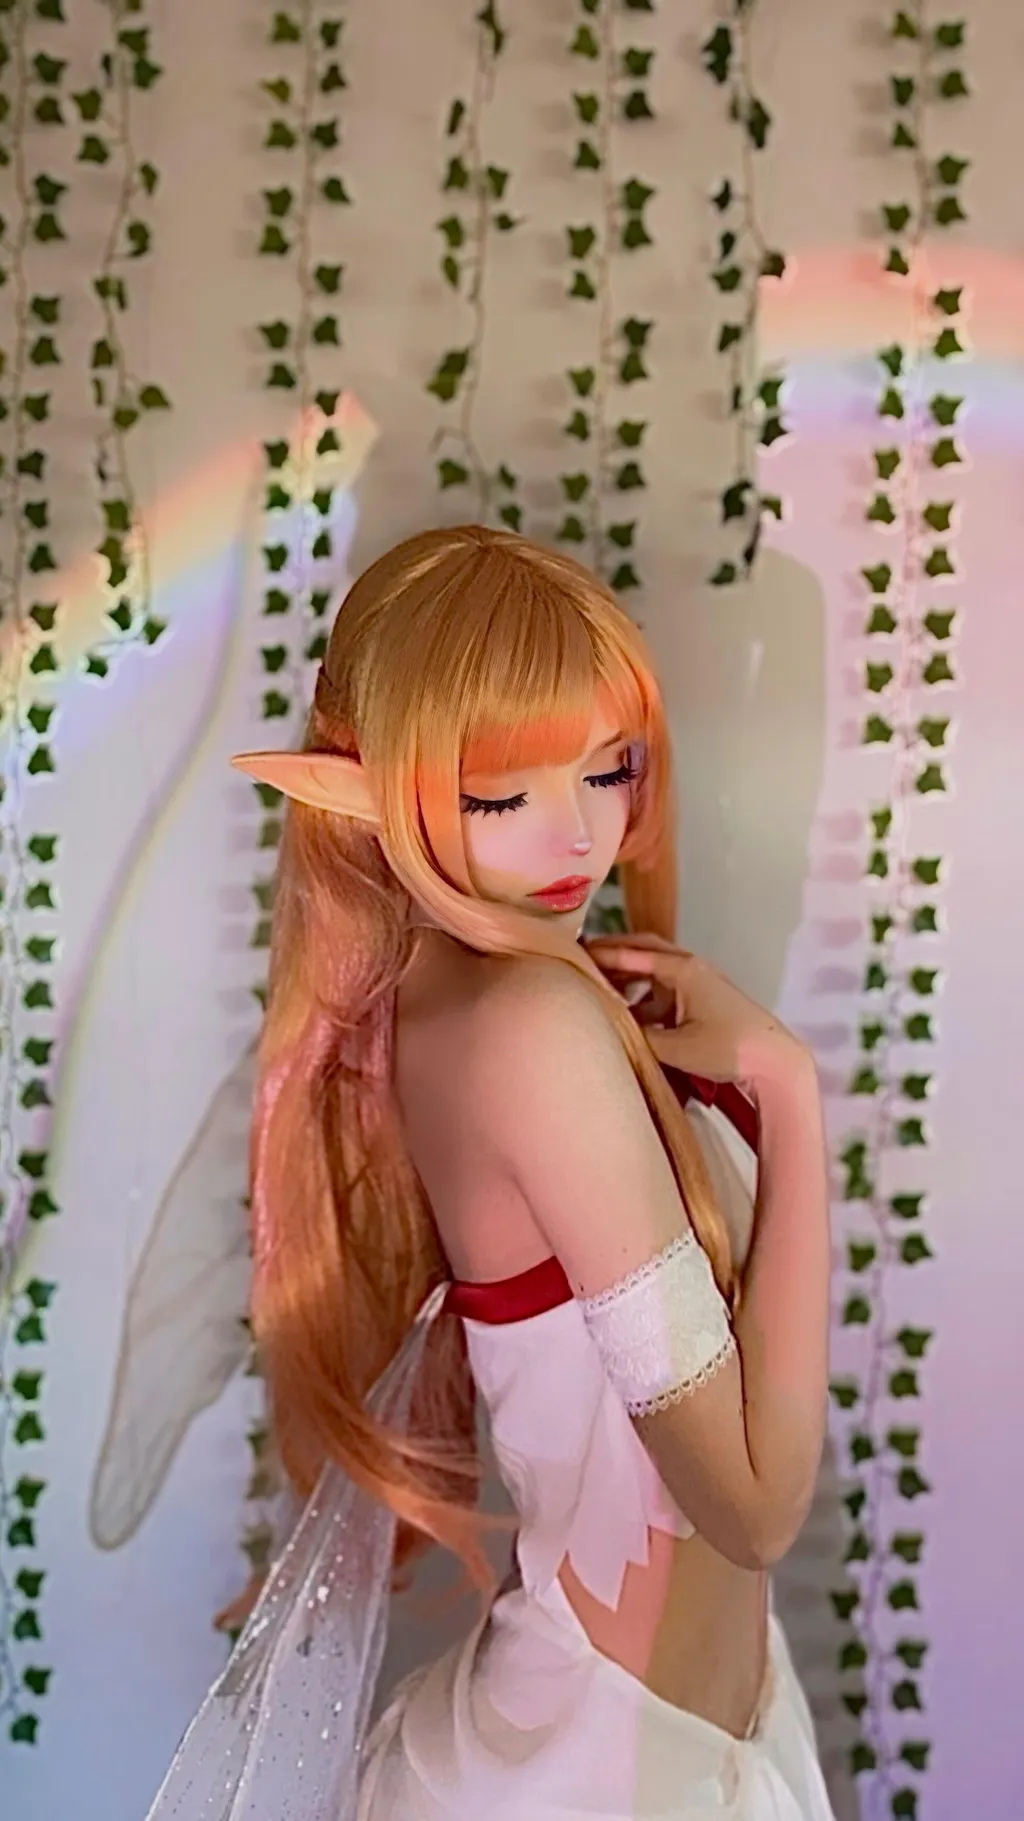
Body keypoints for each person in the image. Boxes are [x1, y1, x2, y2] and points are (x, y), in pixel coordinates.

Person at [144, 525, 835, 1820]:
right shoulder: (526, 1026)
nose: (575, 835)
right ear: (378, 791)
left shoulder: (507, 998)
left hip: (675, 1741)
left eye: (608, 769)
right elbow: (751, 1511)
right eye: (499, 797)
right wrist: (789, 1103)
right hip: (593, 1771)